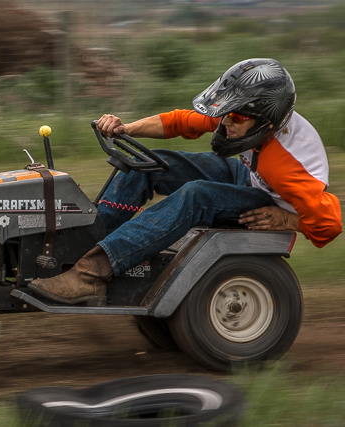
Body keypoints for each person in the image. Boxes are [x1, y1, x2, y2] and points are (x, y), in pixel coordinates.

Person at [28, 58, 342, 307]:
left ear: (266, 122)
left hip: (270, 200)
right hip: (249, 176)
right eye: (226, 114)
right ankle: (83, 246)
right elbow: (179, 121)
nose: (226, 122)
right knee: (147, 164)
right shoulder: (242, 116)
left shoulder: (285, 166)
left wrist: (286, 218)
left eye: (236, 118)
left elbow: (329, 223)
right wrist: (125, 130)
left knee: (196, 196)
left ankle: (90, 274)